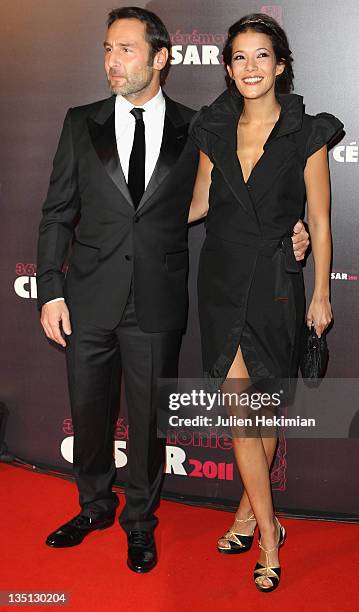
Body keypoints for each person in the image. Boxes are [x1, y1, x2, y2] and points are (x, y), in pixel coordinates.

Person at [36, 7, 310, 574]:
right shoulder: (78, 121)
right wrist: (51, 291)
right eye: (108, 49)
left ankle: (140, 521)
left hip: (157, 300)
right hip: (86, 296)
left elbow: (234, 195)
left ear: (161, 57)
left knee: (148, 420)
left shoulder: (199, 128)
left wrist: (292, 228)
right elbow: (57, 214)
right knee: (88, 414)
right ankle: (92, 506)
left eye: (126, 49)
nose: (113, 60)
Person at [189, 13, 343, 592]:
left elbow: (321, 224)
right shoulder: (213, 127)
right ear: (226, 68)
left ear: (280, 65)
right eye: (239, 57)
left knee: (264, 410)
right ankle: (271, 533)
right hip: (222, 277)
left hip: (278, 279)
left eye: (261, 56)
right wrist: (139, 216)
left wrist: (322, 290)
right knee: (240, 408)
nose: (249, 67)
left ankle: (248, 513)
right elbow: (199, 200)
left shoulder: (307, 132)